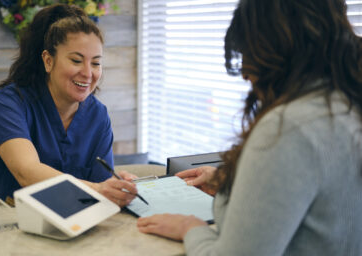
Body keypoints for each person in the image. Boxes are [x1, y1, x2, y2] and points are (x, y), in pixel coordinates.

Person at [137, 0, 362, 255]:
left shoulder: (288, 128)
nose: (244, 72)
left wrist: (190, 227)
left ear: (275, 48)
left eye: (248, 52)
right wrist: (230, 184)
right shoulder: (346, 102)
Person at [0, 4, 137, 207]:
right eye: (76, 60)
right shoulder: (10, 103)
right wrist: (98, 190)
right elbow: (27, 172)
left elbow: (102, 185)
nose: (88, 73)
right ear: (48, 60)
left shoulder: (97, 115)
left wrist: (117, 188)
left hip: (65, 224)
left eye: (95, 63)